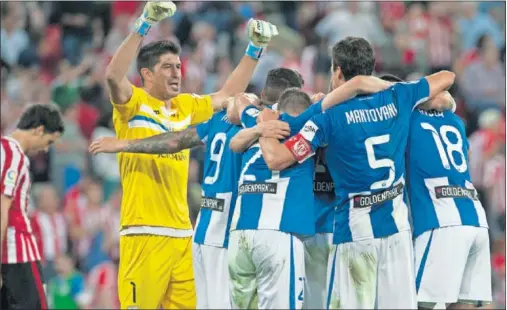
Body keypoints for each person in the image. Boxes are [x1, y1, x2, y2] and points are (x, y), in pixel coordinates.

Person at [253, 36, 457, 309]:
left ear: (337, 71)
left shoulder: (326, 117)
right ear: (371, 68)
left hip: (356, 232)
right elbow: (447, 76)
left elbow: (277, 159)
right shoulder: (400, 95)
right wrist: (388, 86)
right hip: (397, 229)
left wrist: (264, 129)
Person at [104, 0, 279, 307]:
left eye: (179, 66)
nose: (176, 73)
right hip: (143, 233)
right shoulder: (133, 104)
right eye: (167, 67)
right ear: (146, 74)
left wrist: (255, 48)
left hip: (184, 235)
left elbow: (226, 96)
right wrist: (143, 24)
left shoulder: (185, 106)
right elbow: (112, 77)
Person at [227, 75, 392, 309]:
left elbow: (239, 101)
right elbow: (355, 85)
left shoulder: (257, 119)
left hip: (239, 233)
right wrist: (398, 92)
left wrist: (259, 122)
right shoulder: (306, 124)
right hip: (280, 234)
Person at [398, 72, 491, 309]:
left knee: (418, 302)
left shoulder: (405, 120)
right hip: (475, 219)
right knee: (465, 303)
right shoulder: (455, 120)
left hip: (440, 221)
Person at [1, 104, 65, 309]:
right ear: (38, 130)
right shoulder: (13, 154)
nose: (45, 149)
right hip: (16, 252)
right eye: (48, 142)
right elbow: (2, 210)